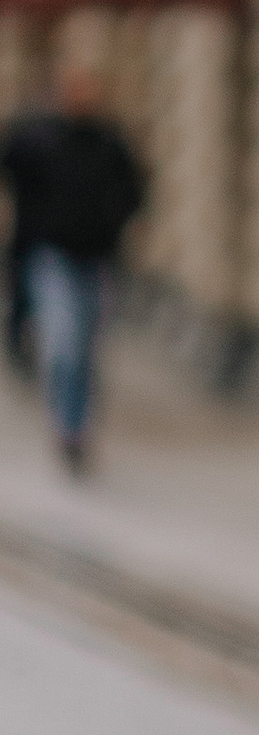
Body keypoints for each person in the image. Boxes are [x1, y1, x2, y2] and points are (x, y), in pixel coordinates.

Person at [0, 64, 149, 474]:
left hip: (98, 259)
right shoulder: (37, 137)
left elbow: (137, 190)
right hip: (52, 256)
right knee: (64, 344)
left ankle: (79, 427)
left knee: (86, 349)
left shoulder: (109, 141)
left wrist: (118, 220)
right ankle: (66, 426)